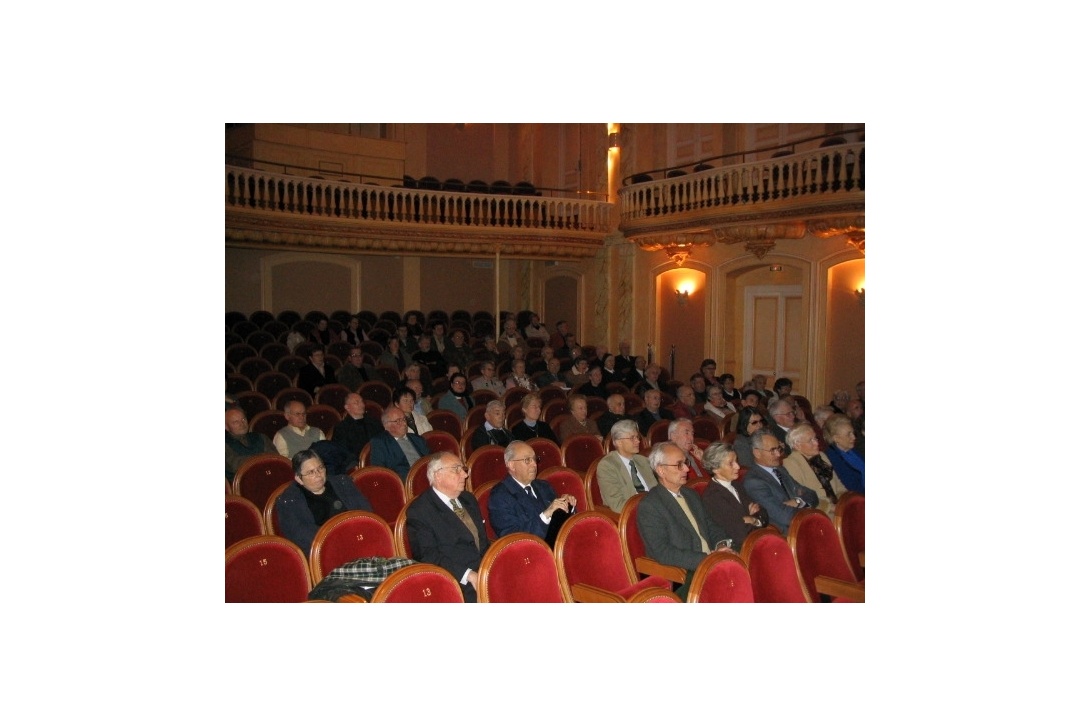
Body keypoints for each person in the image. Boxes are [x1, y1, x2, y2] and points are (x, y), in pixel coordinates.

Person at [637, 442, 733, 599]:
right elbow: (662, 552)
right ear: (661, 470)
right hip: (684, 573)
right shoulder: (650, 505)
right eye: (679, 465)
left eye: (686, 463)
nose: (687, 469)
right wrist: (707, 559)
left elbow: (711, 526)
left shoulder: (690, 494)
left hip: (712, 559)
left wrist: (721, 544)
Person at [405, 452, 491, 602]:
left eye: (463, 469)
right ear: (438, 475)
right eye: (456, 469)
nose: (465, 474)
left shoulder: (468, 499)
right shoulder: (420, 510)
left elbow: (482, 541)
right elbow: (427, 556)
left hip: (485, 570)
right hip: (455, 581)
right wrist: (468, 575)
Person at [275, 449, 373, 554]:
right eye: (310, 472)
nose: (318, 474)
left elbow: (366, 512)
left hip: (358, 539)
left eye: (320, 468)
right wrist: (341, 541)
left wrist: (357, 536)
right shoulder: (289, 501)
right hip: (326, 552)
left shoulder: (343, 483)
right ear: (299, 479)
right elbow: (303, 538)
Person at [488, 441, 575, 546]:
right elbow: (514, 537)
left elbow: (560, 522)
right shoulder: (500, 496)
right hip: (530, 554)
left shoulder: (544, 486)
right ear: (512, 465)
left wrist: (568, 505)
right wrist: (546, 515)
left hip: (558, 546)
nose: (534, 464)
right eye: (527, 460)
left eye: (534, 459)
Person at [742, 428, 818, 534]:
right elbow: (784, 516)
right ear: (757, 453)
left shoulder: (780, 470)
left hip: (804, 524)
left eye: (779, 449)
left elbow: (812, 495)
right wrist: (805, 508)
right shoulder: (754, 482)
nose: (778, 454)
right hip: (788, 534)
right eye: (773, 450)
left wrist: (797, 501)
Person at [701, 441, 768, 550]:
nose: (737, 466)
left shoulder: (736, 485)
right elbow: (741, 534)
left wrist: (751, 520)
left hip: (755, 542)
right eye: (731, 463)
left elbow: (763, 512)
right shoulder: (713, 497)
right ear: (716, 469)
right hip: (741, 550)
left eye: (736, 461)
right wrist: (755, 519)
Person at [783, 423, 847, 516]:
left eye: (815, 438)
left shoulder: (822, 456)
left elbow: (838, 484)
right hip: (820, 514)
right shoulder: (791, 463)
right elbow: (803, 497)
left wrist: (846, 500)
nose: (816, 443)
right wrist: (830, 508)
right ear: (797, 446)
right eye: (810, 441)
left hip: (838, 507)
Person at [596, 419, 657, 512]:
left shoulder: (643, 461)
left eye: (637, 437)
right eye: (632, 438)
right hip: (633, 514)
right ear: (618, 442)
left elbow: (656, 491)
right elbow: (617, 505)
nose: (638, 441)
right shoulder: (607, 466)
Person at [370, 405, 430, 481]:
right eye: (398, 421)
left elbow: (430, 461)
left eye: (404, 419)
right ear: (386, 425)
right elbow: (379, 471)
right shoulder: (380, 443)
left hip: (427, 477)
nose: (404, 423)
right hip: (403, 482)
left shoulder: (417, 439)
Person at [225, 405, 277, 481]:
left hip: (270, 477)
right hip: (243, 484)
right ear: (226, 426)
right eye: (236, 422)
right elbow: (237, 465)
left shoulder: (261, 437)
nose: (242, 424)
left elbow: (275, 458)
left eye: (243, 419)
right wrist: (263, 456)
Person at [331, 392, 383, 460]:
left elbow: (383, 441)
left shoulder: (374, 422)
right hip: (357, 465)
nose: (362, 405)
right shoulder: (341, 428)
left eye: (362, 401)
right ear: (347, 407)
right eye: (356, 403)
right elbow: (342, 453)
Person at [823, 414, 864, 494]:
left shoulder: (853, 450)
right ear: (836, 438)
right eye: (849, 434)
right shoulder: (832, 458)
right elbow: (851, 487)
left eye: (853, 432)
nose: (854, 437)